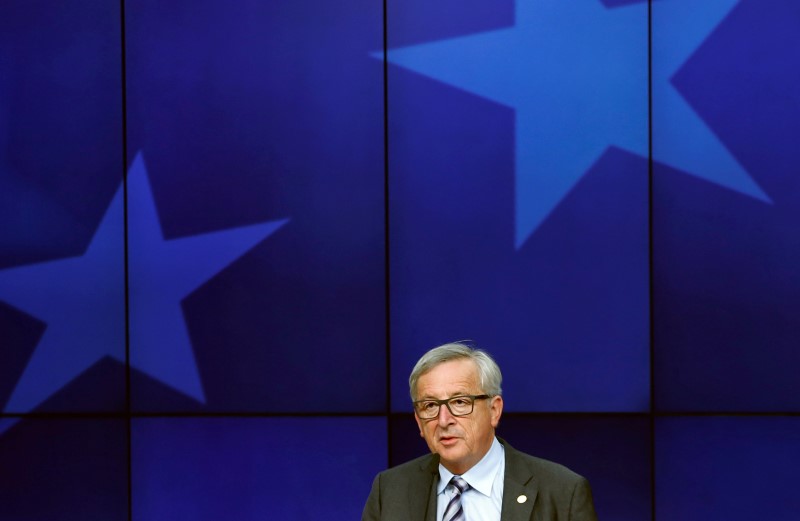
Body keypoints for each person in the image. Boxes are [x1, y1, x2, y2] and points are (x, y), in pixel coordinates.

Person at [362, 342, 598, 521]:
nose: (444, 420)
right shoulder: (390, 490)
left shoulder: (563, 491)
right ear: (418, 421)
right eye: (430, 406)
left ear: (494, 410)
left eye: (460, 402)